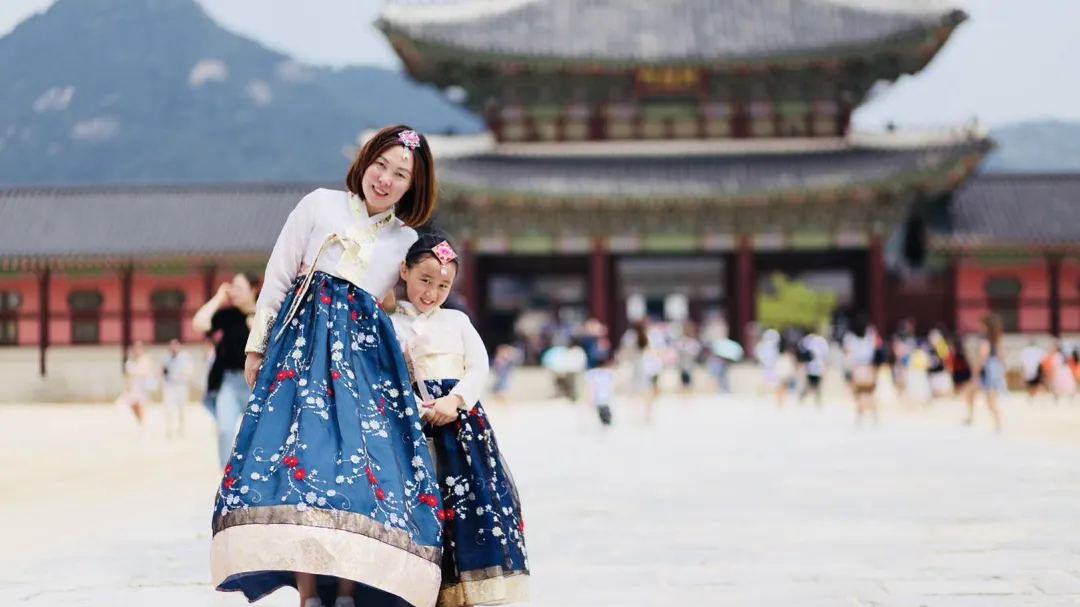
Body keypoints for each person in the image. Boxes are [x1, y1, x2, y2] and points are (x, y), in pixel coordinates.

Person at [209, 125, 444, 607]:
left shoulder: (406, 241)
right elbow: (278, 274)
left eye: (400, 174)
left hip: (362, 367)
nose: (385, 179)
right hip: (300, 354)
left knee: (357, 472)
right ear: (364, 162)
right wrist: (257, 348)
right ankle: (308, 593)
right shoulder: (319, 204)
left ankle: (348, 592)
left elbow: (407, 302)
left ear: (412, 187)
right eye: (380, 165)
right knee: (300, 465)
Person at [391, 233, 530, 607]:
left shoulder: (457, 320)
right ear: (404, 270)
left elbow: (479, 365)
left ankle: (467, 588)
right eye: (424, 280)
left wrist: (456, 400)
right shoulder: (389, 323)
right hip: (411, 424)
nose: (432, 292)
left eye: (442, 285)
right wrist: (416, 408)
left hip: (462, 426)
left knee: (465, 503)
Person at [192, 272, 261, 467]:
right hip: (229, 383)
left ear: (253, 289)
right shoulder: (229, 316)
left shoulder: (267, 314)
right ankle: (226, 475)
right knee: (224, 429)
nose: (234, 292)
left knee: (259, 431)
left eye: (239, 287)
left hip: (257, 384)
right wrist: (218, 297)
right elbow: (199, 323)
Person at [967, 313, 1005, 432]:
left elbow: (983, 355)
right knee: (983, 396)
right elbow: (1001, 355)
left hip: (986, 370)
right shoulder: (996, 338)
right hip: (995, 368)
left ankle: (973, 417)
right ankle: (995, 422)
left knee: (979, 395)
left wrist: (976, 370)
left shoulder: (985, 339)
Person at [161, 338, 194, 438]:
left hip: (181, 386)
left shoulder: (184, 357)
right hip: (170, 386)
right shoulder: (167, 357)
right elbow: (162, 370)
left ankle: (181, 429)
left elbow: (189, 371)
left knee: (182, 409)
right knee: (168, 409)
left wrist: (186, 379)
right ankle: (169, 430)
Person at [585, 351, 618, 426]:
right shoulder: (609, 373)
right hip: (607, 400)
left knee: (602, 420)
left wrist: (589, 400)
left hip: (598, 400)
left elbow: (590, 388)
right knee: (607, 421)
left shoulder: (593, 374)